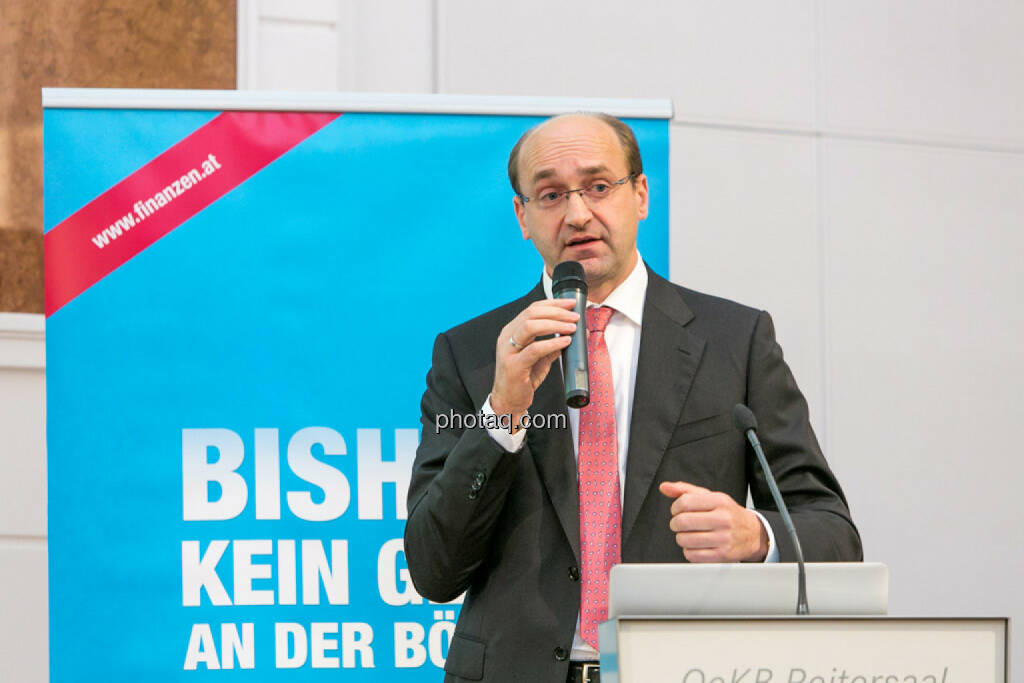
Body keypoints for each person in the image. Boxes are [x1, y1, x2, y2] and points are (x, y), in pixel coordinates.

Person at [404, 113, 861, 683]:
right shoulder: (473, 354)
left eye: (598, 186)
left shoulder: (734, 340)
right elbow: (433, 569)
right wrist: (501, 413)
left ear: (640, 194)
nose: (577, 214)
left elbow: (833, 532)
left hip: (683, 671)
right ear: (522, 216)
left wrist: (754, 535)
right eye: (551, 195)